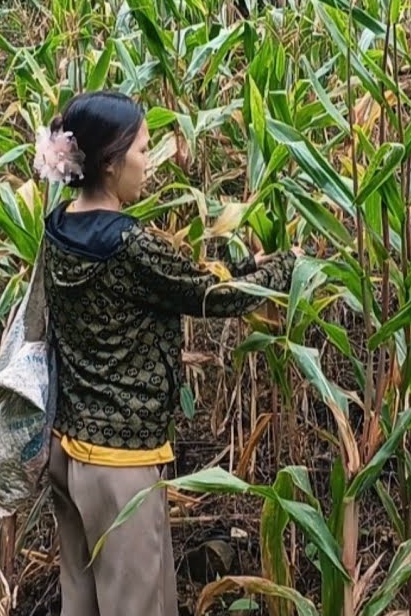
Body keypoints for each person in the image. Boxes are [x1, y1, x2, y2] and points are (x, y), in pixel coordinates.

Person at [32, 90, 297, 615]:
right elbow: (213, 296)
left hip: (67, 450)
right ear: (110, 163)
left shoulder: (59, 225)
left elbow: (181, 282)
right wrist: (290, 265)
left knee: (82, 603)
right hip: (119, 468)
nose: (150, 162)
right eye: (142, 150)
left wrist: (246, 267)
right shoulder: (130, 245)